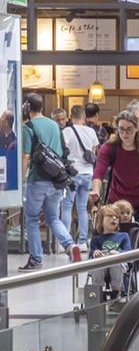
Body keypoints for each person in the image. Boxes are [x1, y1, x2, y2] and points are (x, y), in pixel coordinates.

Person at [20, 94, 80, 269]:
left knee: (31, 219)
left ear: (26, 107)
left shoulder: (28, 127)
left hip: (37, 180)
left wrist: (22, 179)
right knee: (53, 217)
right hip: (56, 180)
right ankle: (70, 245)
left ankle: (36, 259)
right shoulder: (54, 124)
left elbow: (26, 156)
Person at [90, 110, 139, 248]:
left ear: (136, 129)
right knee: (113, 242)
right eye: (121, 129)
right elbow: (99, 172)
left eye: (129, 130)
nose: (125, 134)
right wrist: (95, 191)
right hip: (117, 200)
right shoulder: (110, 147)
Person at [62, 108, 101, 247]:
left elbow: (64, 150)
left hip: (73, 172)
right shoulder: (91, 132)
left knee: (66, 205)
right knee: (82, 207)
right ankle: (83, 241)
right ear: (84, 116)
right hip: (88, 173)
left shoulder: (67, 131)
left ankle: (66, 241)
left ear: (70, 116)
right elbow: (95, 151)